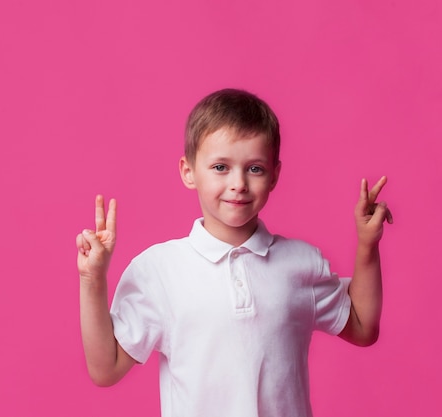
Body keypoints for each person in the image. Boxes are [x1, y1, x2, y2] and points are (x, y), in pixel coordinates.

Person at [76, 88, 393, 417]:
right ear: (188, 171)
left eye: (254, 168)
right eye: (220, 167)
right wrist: (92, 279)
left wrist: (368, 245)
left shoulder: (301, 263)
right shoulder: (159, 271)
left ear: (274, 175)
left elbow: (361, 325)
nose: (238, 183)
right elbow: (106, 368)